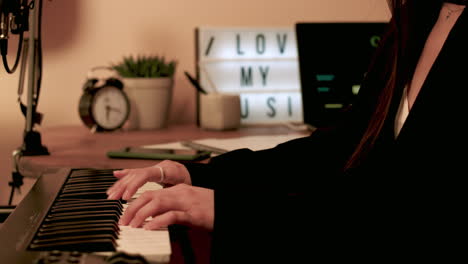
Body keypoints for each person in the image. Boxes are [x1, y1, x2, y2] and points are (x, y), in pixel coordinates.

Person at [107, 0, 466, 262]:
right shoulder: (420, 16)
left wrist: (234, 212)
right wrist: (197, 174)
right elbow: (337, 147)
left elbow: (405, 208)